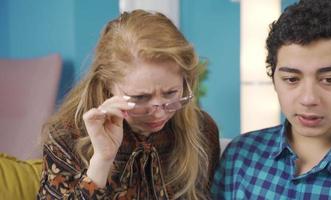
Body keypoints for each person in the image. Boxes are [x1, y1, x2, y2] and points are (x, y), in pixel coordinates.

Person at [37, 10, 220, 200]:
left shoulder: (202, 131)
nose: (158, 115)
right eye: (140, 97)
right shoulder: (67, 135)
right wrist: (102, 160)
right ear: (107, 84)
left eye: (171, 93)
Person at [212, 0, 331, 199]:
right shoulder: (240, 156)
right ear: (273, 79)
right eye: (291, 79)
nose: (308, 99)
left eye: (329, 80)